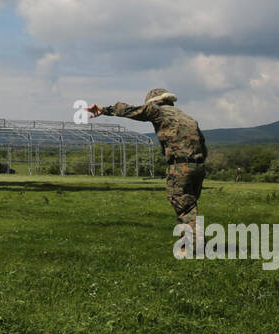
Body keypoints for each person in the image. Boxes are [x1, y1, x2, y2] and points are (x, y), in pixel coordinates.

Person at [88, 89, 205, 246]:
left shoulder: (158, 111)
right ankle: (195, 242)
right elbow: (202, 143)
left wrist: (104, 110)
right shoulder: (187, 118)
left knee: (183, 206)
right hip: (198, 166)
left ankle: (192, 246)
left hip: (180, 166)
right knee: (190, 205)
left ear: (155, 102)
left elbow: (131, 110)